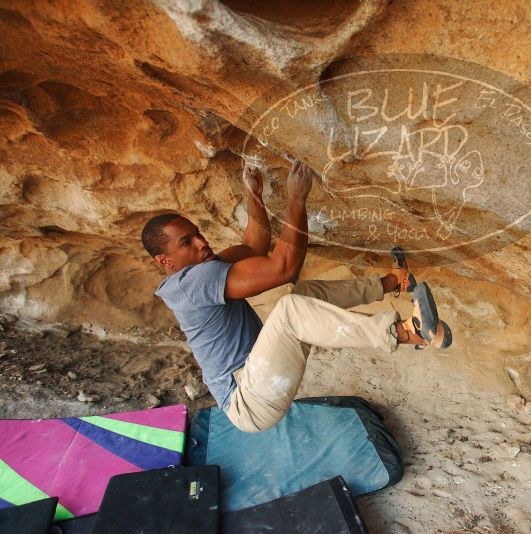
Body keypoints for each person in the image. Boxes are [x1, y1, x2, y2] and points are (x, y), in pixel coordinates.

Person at [141, 161, 452, 432]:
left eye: (197, 232)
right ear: (165, 261)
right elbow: (284, 267)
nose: (200, 242)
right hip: (248, 400)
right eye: (187, 242)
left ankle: (394, 283)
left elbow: (253, 248)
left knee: (298, 295)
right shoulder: (194, 282)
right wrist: (297, 199)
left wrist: (254, 194)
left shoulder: (199, 270)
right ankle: (408, 332)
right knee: (290, 309)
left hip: (255, 376)